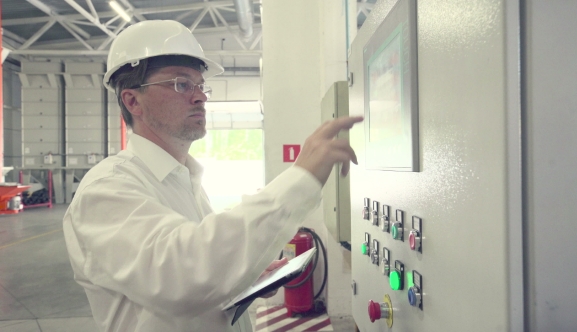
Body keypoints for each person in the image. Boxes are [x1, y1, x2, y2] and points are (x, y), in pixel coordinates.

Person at [62, 20, 362, 332]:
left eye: (200, 85)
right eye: (181, 84)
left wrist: (240, 279)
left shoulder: (183, 180)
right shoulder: (107, 189)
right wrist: (300, 179)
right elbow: (181, 275)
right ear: (132, 100)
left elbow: (203, 266)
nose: (200, 97)